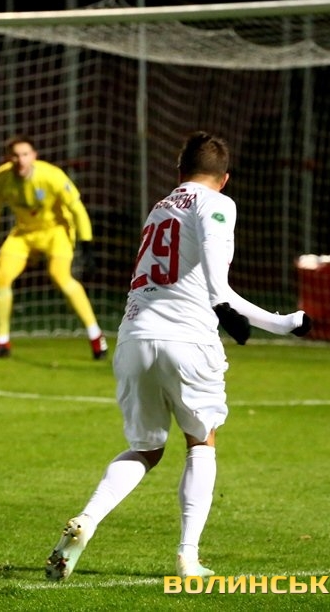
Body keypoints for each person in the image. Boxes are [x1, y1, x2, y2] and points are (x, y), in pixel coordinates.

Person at [44, 131, 312, 581]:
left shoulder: (160, 208)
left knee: (146, 449)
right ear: (224, 178)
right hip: (187, 339)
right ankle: (188, 557)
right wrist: (275, 321)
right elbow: (217, 284)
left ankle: (87, 519)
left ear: (179, 169)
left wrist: (266, 319)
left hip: (133, 336)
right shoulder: (217, 204)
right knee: (201, 442)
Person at [0, 134, 107, 360]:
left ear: (34, 156)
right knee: (0, 276)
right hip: (24, 233)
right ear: (8, 158)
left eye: (25, 154)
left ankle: (95, 335)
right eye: (15, 155)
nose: (21, 160)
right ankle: (2, 342)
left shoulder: (52, 176)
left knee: (60, 276)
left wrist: (87, 246)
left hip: (56, 231)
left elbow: (78, 210)